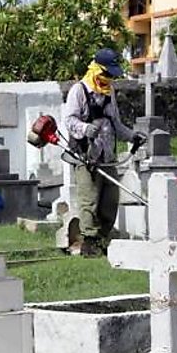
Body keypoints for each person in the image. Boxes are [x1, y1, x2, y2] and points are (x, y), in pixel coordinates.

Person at [64, 48, 144, 257]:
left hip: (108, 156)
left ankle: (104, 239)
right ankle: (89, 243)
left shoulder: (110, 93)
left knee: (110, 199)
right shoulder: (79, 91)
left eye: (111, 75)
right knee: (89, 200)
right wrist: (84, 128)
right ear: (96, 69)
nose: (108, 78)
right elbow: (70, 120)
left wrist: (132, 136)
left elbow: (115, 123)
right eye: (106, 74)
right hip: (87, 157)